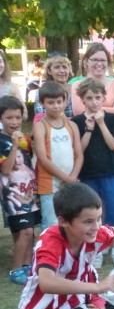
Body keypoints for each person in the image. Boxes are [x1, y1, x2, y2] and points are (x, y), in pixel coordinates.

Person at [72, 78, 114, 232]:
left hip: (110, 171)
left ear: (103, 97)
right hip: (87, 173)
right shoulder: (76, 121)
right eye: (89, 98)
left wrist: (101, 123)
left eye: (97, 97)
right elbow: (78, 150)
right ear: (82, 99)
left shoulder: (112, 119)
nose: (94, 102)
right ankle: (94, 242)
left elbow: (113, 145)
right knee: (90, 212)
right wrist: (89, 129)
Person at [33, 82, 83, 229]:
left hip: (71, 182)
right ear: (42, 103)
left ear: (65, 101)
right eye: (50, 102)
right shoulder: (40, 127)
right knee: (51, 223)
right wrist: (67, 179)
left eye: (59, 102)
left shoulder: (72, 125)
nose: (56, 106)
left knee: (72, 222)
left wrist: (72, 177)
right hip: (49, 184)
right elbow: (43, 159)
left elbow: (79, 155)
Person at [1, 95, 40, 284]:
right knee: (24, 232)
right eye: (9, 118)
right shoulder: (2, 141)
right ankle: (16, 271)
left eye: (17, 117)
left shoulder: (25, 138)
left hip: (29, 191)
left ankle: (27, 266)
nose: (14, 122)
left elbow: (28, 163)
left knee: (29, 232)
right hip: (12, 195)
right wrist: (14, 146)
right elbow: (6, 170)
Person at [70, 44, 114, 118]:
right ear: (86, 61)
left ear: (108, 63)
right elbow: (79, 112)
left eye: (103, 60)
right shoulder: (77, 85)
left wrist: (90, 109)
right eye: (95, 60)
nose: (99, 64)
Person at [34, 53, 74, 120]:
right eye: (57, 67)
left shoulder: (76, 90)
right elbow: (40, 117)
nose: (62, 71)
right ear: (49, 71)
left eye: (64, 67)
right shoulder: (41, 91)